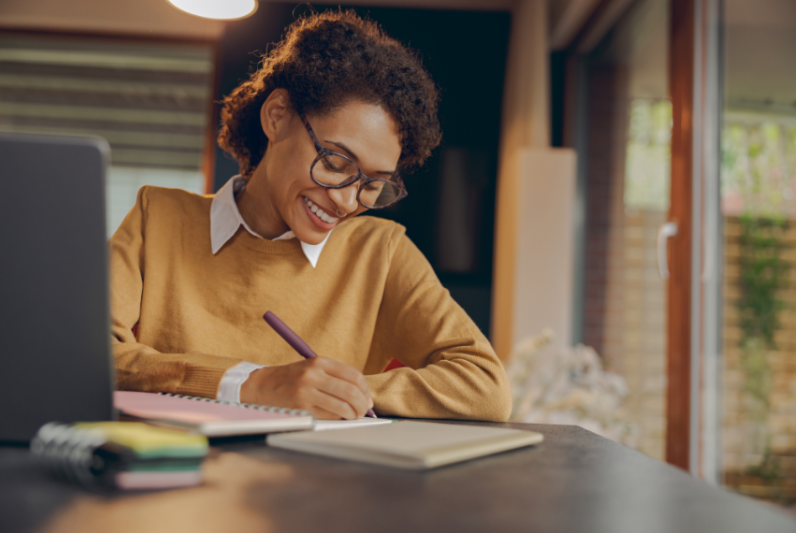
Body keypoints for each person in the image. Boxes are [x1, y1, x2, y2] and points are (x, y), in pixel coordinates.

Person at [110, 10, 511, 422]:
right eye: (336, 162)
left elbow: (485, 388)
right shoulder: (156, 217)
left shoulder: (381, 253)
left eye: (373, 183)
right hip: (175, 473)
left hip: (317, 483)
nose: (347, 201)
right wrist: (252, 385)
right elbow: (81, 351)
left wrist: (330, 390)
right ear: (277, 116)